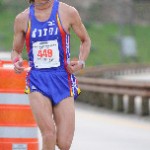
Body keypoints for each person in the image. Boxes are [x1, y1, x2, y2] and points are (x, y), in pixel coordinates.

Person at [11, 0, 91, 149]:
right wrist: (16, 61)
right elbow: (16, 50)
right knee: (48, 133)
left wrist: (81, 62)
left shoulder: (68, 12)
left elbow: (85, 40)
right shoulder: (23, 19)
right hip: (37, 80)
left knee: (64, 143)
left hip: (63, 78)